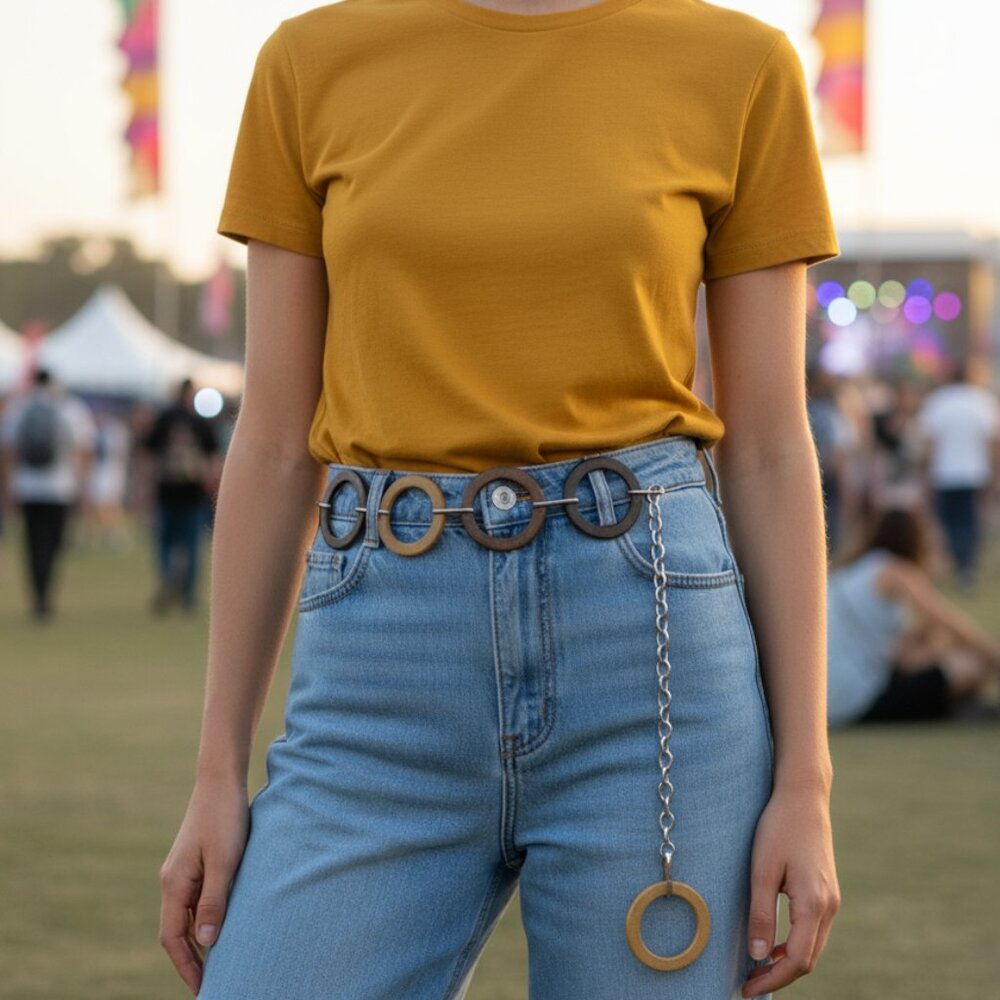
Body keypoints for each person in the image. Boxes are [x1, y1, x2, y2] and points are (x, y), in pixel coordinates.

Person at [159, 3, 843, 999]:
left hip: (653, 668)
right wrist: (218, 770)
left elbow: (773, 447)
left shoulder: (738, 64)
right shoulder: (312, 61)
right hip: (378, 671)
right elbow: (270, 442)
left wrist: (805, 780)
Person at [826, 506, 1000, 728]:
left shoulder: (856, 570)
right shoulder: (894, 570)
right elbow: (945, 619)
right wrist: (992, 655)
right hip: (857, 699)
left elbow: (901, 657)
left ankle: (954, 704)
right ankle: (956, 704)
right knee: (973, 664)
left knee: (934, 647)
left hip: (829, 701)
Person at [0, 367, 96, 619]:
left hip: (28, 487)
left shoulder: (19, 408)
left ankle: (38, 595)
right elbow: (84, 449)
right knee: (54, 543)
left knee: (33, 543)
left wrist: (9, 486)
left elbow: (9, 451)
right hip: (60, 488)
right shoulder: (70, 409)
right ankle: (46, 592)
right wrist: (82, 485)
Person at [915, 359, 1000, 591]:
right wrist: (994, 474)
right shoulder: (982, 401)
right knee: (970, 521)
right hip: (975, 472)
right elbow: (992, 442)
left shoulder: (938, 402)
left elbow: (930, 443)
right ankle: (967, 565)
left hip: (944, 473)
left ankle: (956, 560)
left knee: (948, 521)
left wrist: (924, 473)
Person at [140, 378, 221, 613]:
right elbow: (214, 459)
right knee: (192, 546)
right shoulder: (200, 422)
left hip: (167, 492)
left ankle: (168, 580)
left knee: (165, 543)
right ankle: (187, 594)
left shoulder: (164, 418)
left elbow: (148, 454)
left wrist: (146, 487)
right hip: (193, 494)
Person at [805, 364, 852, 557]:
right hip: (825, 475)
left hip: (813, 475)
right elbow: (837, 451)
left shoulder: (813, 409)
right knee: (827, 525)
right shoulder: (826, 412)